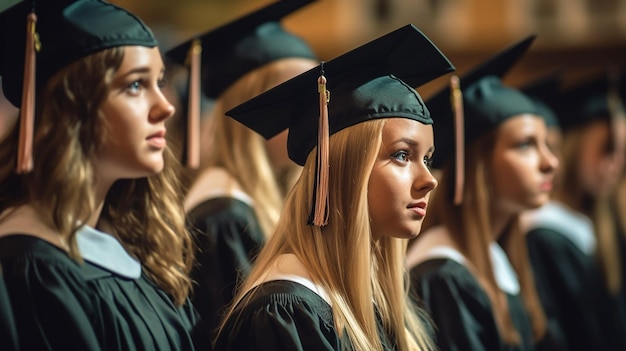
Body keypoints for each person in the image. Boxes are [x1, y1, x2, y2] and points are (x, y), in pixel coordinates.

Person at [211, 24, 454, 350]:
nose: (429, 180)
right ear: (340, 170)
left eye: (427, 158)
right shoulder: (286, 312)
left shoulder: (386, 305)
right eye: (401, 155)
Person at [0, 1, 196, 350]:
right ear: (71, 108)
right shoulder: (28, 269)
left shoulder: (136, 250)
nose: (166, 106)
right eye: (136, 85)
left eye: (161, 82)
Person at [165, 0, 319, 340]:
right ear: (249, 111)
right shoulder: (224, 216)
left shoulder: (264, 201)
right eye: (293, 98)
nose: (312, 114)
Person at [406, 36, 564, 351]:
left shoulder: (500, 258)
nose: (551, 162)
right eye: (525, 145)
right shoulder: (443, 275)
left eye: (547, 145)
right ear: (478, 165)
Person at [520, 69, 626, 351]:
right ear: (575, 145)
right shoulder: (544, 233)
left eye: (622, 154)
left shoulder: (602, 224)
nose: (614, 165)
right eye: (608, 148)